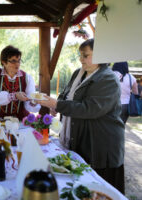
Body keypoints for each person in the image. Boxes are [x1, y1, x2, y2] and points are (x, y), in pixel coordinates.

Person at [36, 39, 125, 193]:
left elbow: (89, 109)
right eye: (80, 55)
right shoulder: (79, 73)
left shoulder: (108, 79)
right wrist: (57, 104)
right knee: (81, 188)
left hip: (100, 146)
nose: (81, 59)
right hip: (81, 139)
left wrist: (57, 105)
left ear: (101, 56)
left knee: (99, 191)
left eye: (85, 55)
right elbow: (66, 93)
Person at [0, 45, 40, 120]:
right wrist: (14, 96)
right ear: (4, 62)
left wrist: (33, 102)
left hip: (19, 120)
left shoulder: (27, 77)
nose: (17, 64)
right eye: (13, 61)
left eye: (19, 60)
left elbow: (29, 102)